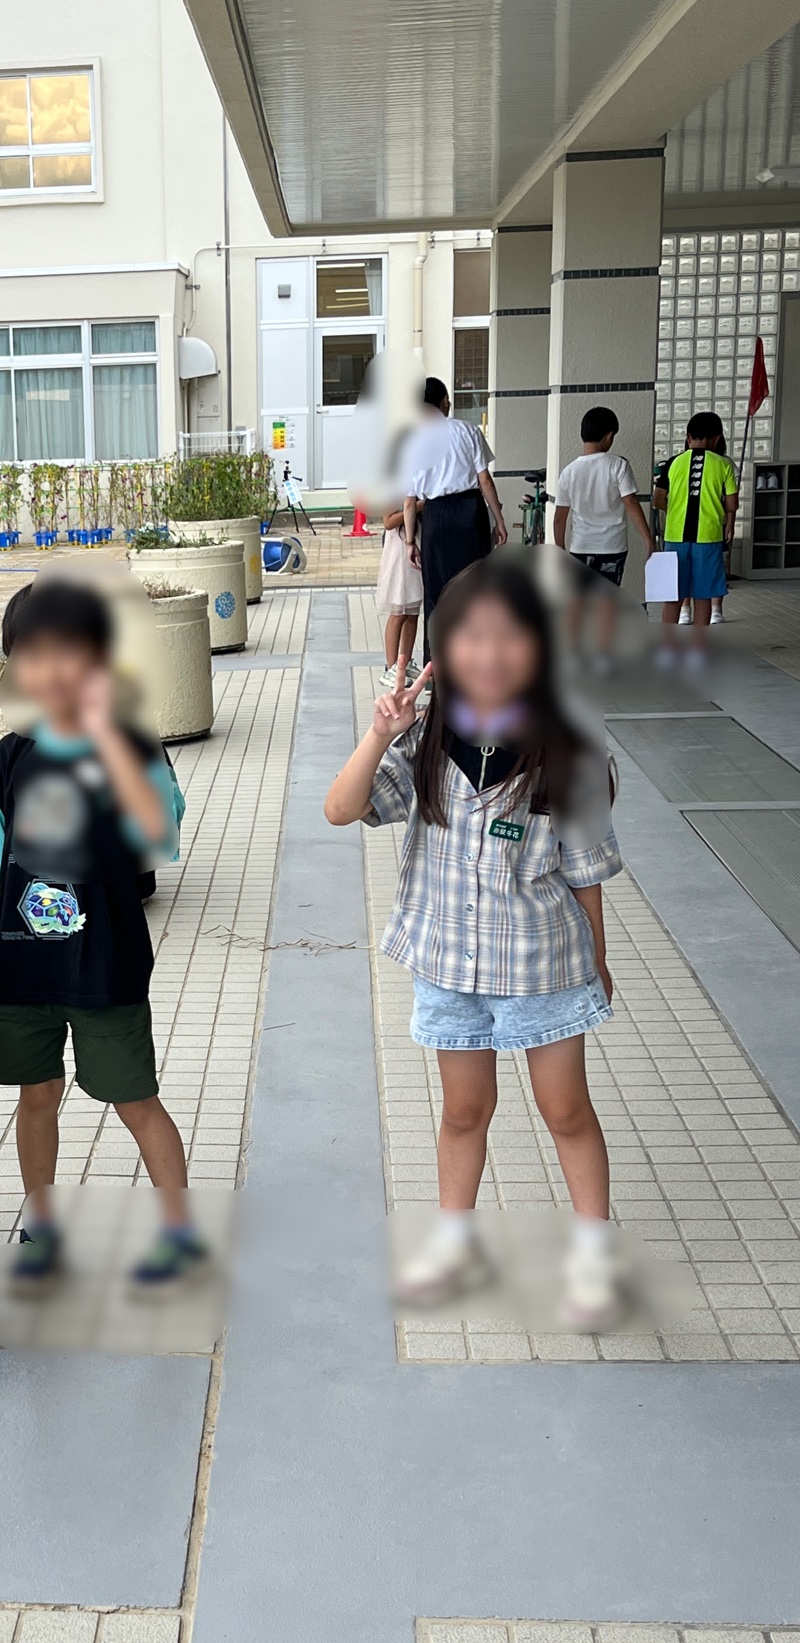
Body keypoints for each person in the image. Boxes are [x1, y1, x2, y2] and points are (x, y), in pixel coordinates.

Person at [324, 560, 627, 1331]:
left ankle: (594, 1257)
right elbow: (340, 809)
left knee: (565, 1110)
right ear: (445, 648)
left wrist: (597, 960)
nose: (489, 655)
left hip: (543, 965)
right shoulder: (424, 737)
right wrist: (380, 732)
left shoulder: (568, 748)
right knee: (464, 1110)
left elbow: (586, 873)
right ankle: (454, 1245)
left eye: (510, 638)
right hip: (448, 965)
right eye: (470, 637)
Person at [0, 576, 201, 1287]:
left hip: (104, 965)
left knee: (134, 1099)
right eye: (32, 655)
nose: (50, 671)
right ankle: (43, 1225)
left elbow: (158, 835)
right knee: (37, 1095)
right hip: (21, 966)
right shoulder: (10, 757)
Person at [402, 377, 508, 648]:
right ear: (444, 402)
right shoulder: (468, 431)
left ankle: (438, 662)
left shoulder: (412, 442)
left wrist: (410, 542)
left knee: (437, 594)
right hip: (470, 513)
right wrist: (499, 520)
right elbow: (485, 481)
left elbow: (409, 501)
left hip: (435, 517)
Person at [553, 406, 654, 662]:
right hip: (612, 547)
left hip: (580, 546)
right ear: (608, 436)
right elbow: (631, 504)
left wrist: (559, 549)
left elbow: (560, 516)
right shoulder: (618, 465)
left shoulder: (569, 471)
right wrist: (647, 538)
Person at [653, 411, 738, 659]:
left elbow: (658, 499)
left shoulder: (673, 463)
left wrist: (676, 511)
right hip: (708, 538)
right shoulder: (723, 464)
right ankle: (698, 651)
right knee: (703, 595)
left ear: (688, 437)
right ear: (717, 438)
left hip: (675, 537)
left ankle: (667, 649)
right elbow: (731, 503)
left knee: (672, 596)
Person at [375, 504, 424, 681]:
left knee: (412, 612)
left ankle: (406, 662)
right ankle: (390, 667)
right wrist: (419, 506)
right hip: (399, 548)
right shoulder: (394, 493)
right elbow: (388, 522)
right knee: (398, 611)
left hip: (418, 540)